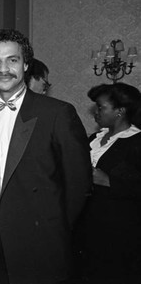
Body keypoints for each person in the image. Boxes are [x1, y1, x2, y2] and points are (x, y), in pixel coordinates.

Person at [0, 29, 91, 284]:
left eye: (13, 60)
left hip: (43, 244)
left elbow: (78, 184)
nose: (3, 68)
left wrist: (53, 229)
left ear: (27, 65)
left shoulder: (57, 113)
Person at [74, 83, 141, 283]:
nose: (96, 112)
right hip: (87, 224)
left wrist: (109, 180)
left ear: (120, 111)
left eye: (101, 107)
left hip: (119, 231)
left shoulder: (136, 141)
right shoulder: (95, 138)